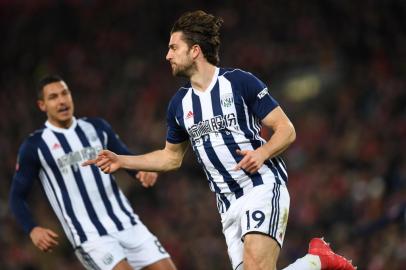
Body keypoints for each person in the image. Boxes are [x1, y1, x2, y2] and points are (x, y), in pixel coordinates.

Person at [84, 10, 356, 270]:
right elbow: (171, 157)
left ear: (195, 51)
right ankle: (316, 261)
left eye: (173, 48)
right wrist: (122, 160)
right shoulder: (178, 105)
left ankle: (318, 261)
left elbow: (286, 129)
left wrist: (262, 154)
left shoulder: (239, 82)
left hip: (260, 187)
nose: (167, 55)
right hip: (227, 205)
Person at [9, 75, 177, 270]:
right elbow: (16, 196)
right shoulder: (35, 146)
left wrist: (141, 172)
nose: (62, 100)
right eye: (53, 97)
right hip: (91, 237)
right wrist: (32, 229)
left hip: (128, 223)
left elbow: (124, 157)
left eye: (65, 93)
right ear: (42, 105)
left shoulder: (97, 128)